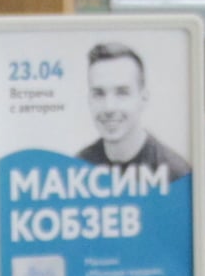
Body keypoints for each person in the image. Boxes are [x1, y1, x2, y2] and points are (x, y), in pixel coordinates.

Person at [75, 40, 190, 183]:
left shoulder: (176, 174)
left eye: (122, 93)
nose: (109, 107)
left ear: (143, 98)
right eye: (99, 93)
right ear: (89, 99)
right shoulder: (77, 169)